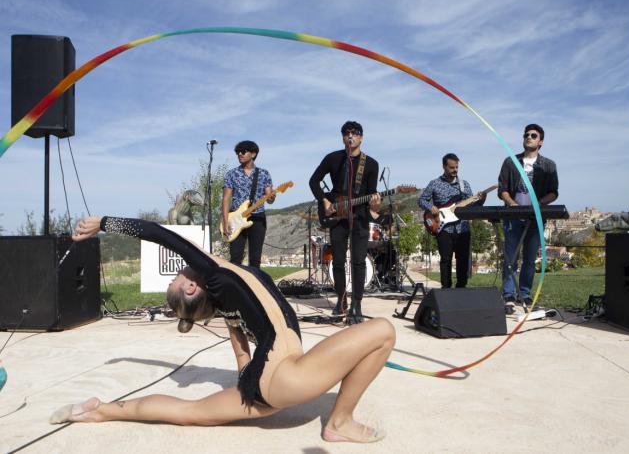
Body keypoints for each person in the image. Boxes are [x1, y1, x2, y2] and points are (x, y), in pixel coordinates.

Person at [50, 216, 395, 444]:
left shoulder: (227, 297)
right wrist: (106, 223)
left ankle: (99, 409)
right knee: (382, 331)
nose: (183, 270)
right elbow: (161, 234)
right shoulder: (216, 276)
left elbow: (241, 349)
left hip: (266, 386)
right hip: (285, 376)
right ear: (189, 289)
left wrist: (247, 375)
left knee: (189, 412)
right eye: (179, 278)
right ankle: (339, 422)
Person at [309, 121, 380, 324]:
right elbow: (313, 181)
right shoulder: (333, 158)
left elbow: (370, 194)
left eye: (355, 133)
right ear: (343, 137)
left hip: (359, 218)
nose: (351, 136)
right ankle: (341, 301)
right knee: (338, 261)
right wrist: (325, 201)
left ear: (361, 138)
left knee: (358, 261)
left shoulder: (372, 164)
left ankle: (357, 303)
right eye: (347, 133)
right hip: (337, 217)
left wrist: (374, 204)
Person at [498, 124, 558, 313]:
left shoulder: (548, 165)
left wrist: (538, 203)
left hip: (535, 218)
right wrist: (512, 204)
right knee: (511, 258)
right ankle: (508, 295)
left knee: (530, 259)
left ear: (541, 141)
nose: (529, 137)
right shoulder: (511, 162)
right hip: (513, 217)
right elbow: (503, 190)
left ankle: (524, 294)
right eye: (526, 135)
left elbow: (553, 192)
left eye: (534, 135)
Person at [418, 153, 486, 288]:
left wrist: (481, 200)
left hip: (463, 228)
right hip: (443, 228)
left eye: (456, 167)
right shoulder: (434, 184)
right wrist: (431, 207)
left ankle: (461, 287)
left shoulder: (464, 185)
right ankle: (446, 289)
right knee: (446, 260)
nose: (455, 170)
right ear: (444, 167)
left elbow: (471, 208)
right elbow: (421, 200)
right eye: (451, 167)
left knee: (462, 260)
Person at [221, 140, 275, 269]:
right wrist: (225, 220)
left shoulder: (263, 174)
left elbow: (269, 199)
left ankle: (254, 286)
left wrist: (272, 196)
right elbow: (226, 198)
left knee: (255, 259)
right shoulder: (231, 174)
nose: (240, 154)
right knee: (235, 258)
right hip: (236, 219)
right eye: (238, 152)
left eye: (243, 151)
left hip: (258, 218)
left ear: (253, 154)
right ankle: (235, 287)